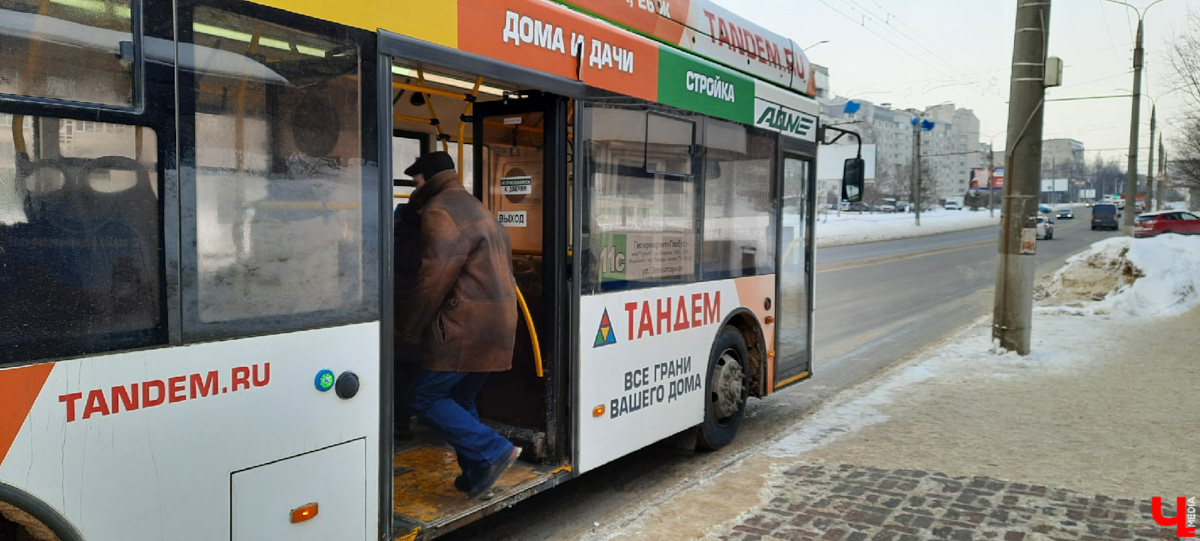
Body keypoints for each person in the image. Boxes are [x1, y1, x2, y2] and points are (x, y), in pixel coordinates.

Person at [396, 151, 521, 500]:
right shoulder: (476, 206)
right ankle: (478, 472)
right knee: (462, 397)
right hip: (497, 326)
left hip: (463, 329)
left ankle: (494, 450)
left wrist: (407, 329)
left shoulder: (439, 211)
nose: (413, 188)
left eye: (415, 181)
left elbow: (432, 281)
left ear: (426, 179)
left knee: (424, 397)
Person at [392, 200, 423, 441]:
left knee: (400, 371)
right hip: (414, 309)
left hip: (398, 309)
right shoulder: (424, 240)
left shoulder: (393, 236)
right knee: (409, 370)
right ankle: (405, 419)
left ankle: (401, 420)